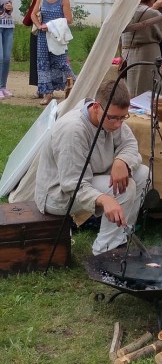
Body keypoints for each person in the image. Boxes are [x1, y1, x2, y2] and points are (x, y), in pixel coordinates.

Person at [34, 80, 148, 256]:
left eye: (123, 118)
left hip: (89, 177)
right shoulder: (73, 130)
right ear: (96, 106)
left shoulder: (109, 116)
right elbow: (72, 184)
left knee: (143, 173)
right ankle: (105, 252)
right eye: (113, 118)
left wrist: (122, 161)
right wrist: (104, 198)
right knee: (125, 189)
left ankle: (121, 238)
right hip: (58, 194)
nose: (119, 124)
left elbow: (130, 144)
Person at [31, 0, 75, 105]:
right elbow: (33, 14)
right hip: (43, 37)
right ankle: (47, 93)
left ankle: (74, 85)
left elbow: (69, 19)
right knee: (43, 64)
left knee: (61, 63)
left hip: (57, 36)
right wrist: (39, 26)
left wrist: (50, 25)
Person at [28, 0, 50, 98]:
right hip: (37, 26)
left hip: (48, 25)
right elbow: (32, 10)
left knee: (48, 57)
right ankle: (39, 87)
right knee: (36, 56)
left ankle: (48, 87)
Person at [0, 0, 14, 99]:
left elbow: (8, 11)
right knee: (0, 57)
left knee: (6, 58)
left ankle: (3, 86)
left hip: (8, 25)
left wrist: (10, 8)